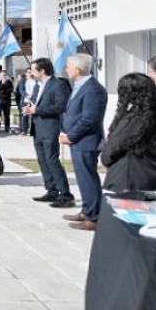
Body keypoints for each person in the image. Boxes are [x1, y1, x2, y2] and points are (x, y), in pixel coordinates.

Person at [58, 54, 108, 231]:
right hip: (78, 141)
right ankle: (87, 210)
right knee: (82, 177)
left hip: (85, 141)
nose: (66, 70)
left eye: (68, 67)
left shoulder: (93, 89)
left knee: (88, 178)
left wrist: (70, 136)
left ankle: (94, 217)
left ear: (78, 69)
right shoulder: (80, 86)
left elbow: (89, 119)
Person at [24, 57, 74, 206]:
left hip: (50, 128)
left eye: (33, 70)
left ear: (42, 70)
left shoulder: (58, 85)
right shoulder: (38, 86)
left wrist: (37, 109)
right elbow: (35, 103)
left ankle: (65, 194)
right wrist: (29, 108)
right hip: (37, 128)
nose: (31, 73)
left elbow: (61, 106)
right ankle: (51, 190)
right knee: (42, 160)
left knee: (52, 160)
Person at [101, 73, 156, 192]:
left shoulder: (134, 119)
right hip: (154, 179)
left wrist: (105, 159)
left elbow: (111, 151)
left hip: (128, 179)